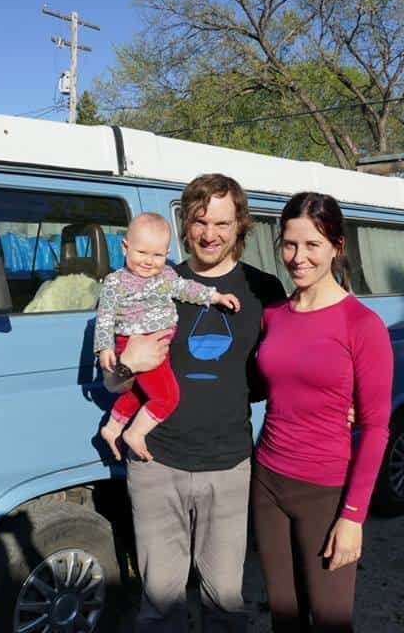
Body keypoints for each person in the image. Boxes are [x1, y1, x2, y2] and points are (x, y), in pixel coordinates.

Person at [101, 173, 286, 633]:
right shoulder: (152, 279)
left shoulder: (265, 291)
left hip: (228, 466)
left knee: (224, 602)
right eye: (201, 221)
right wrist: (125, 364)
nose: (210, 233)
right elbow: (112, 385)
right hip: (156, 463)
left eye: (222, 222)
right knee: (160, 603)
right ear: (185, 223)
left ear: (240, 225)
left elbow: (292, 364)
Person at [251, 192, 393, 632]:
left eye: (312, 245)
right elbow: (263, 384)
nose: (298, 258)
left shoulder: (362, 325)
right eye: (290, 244)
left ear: (337, 246)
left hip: (325, 494)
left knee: (331, 622)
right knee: (284, 617)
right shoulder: (273, 314)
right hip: (268, 482)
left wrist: (353, 518)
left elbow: (375, 429)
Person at [95, 212, 241, 461]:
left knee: (139, 393)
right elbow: (105, 316)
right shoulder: (115, 282)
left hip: (159, 344)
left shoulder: (167, 276)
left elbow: (187, 289)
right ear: (125, 247)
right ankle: (135, 434)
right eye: (142, 253)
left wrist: (215, 297)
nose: (149, 262)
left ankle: (113, 428)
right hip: (135, 342)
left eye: (158, 255)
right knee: (167, 397)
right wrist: (105, 348)